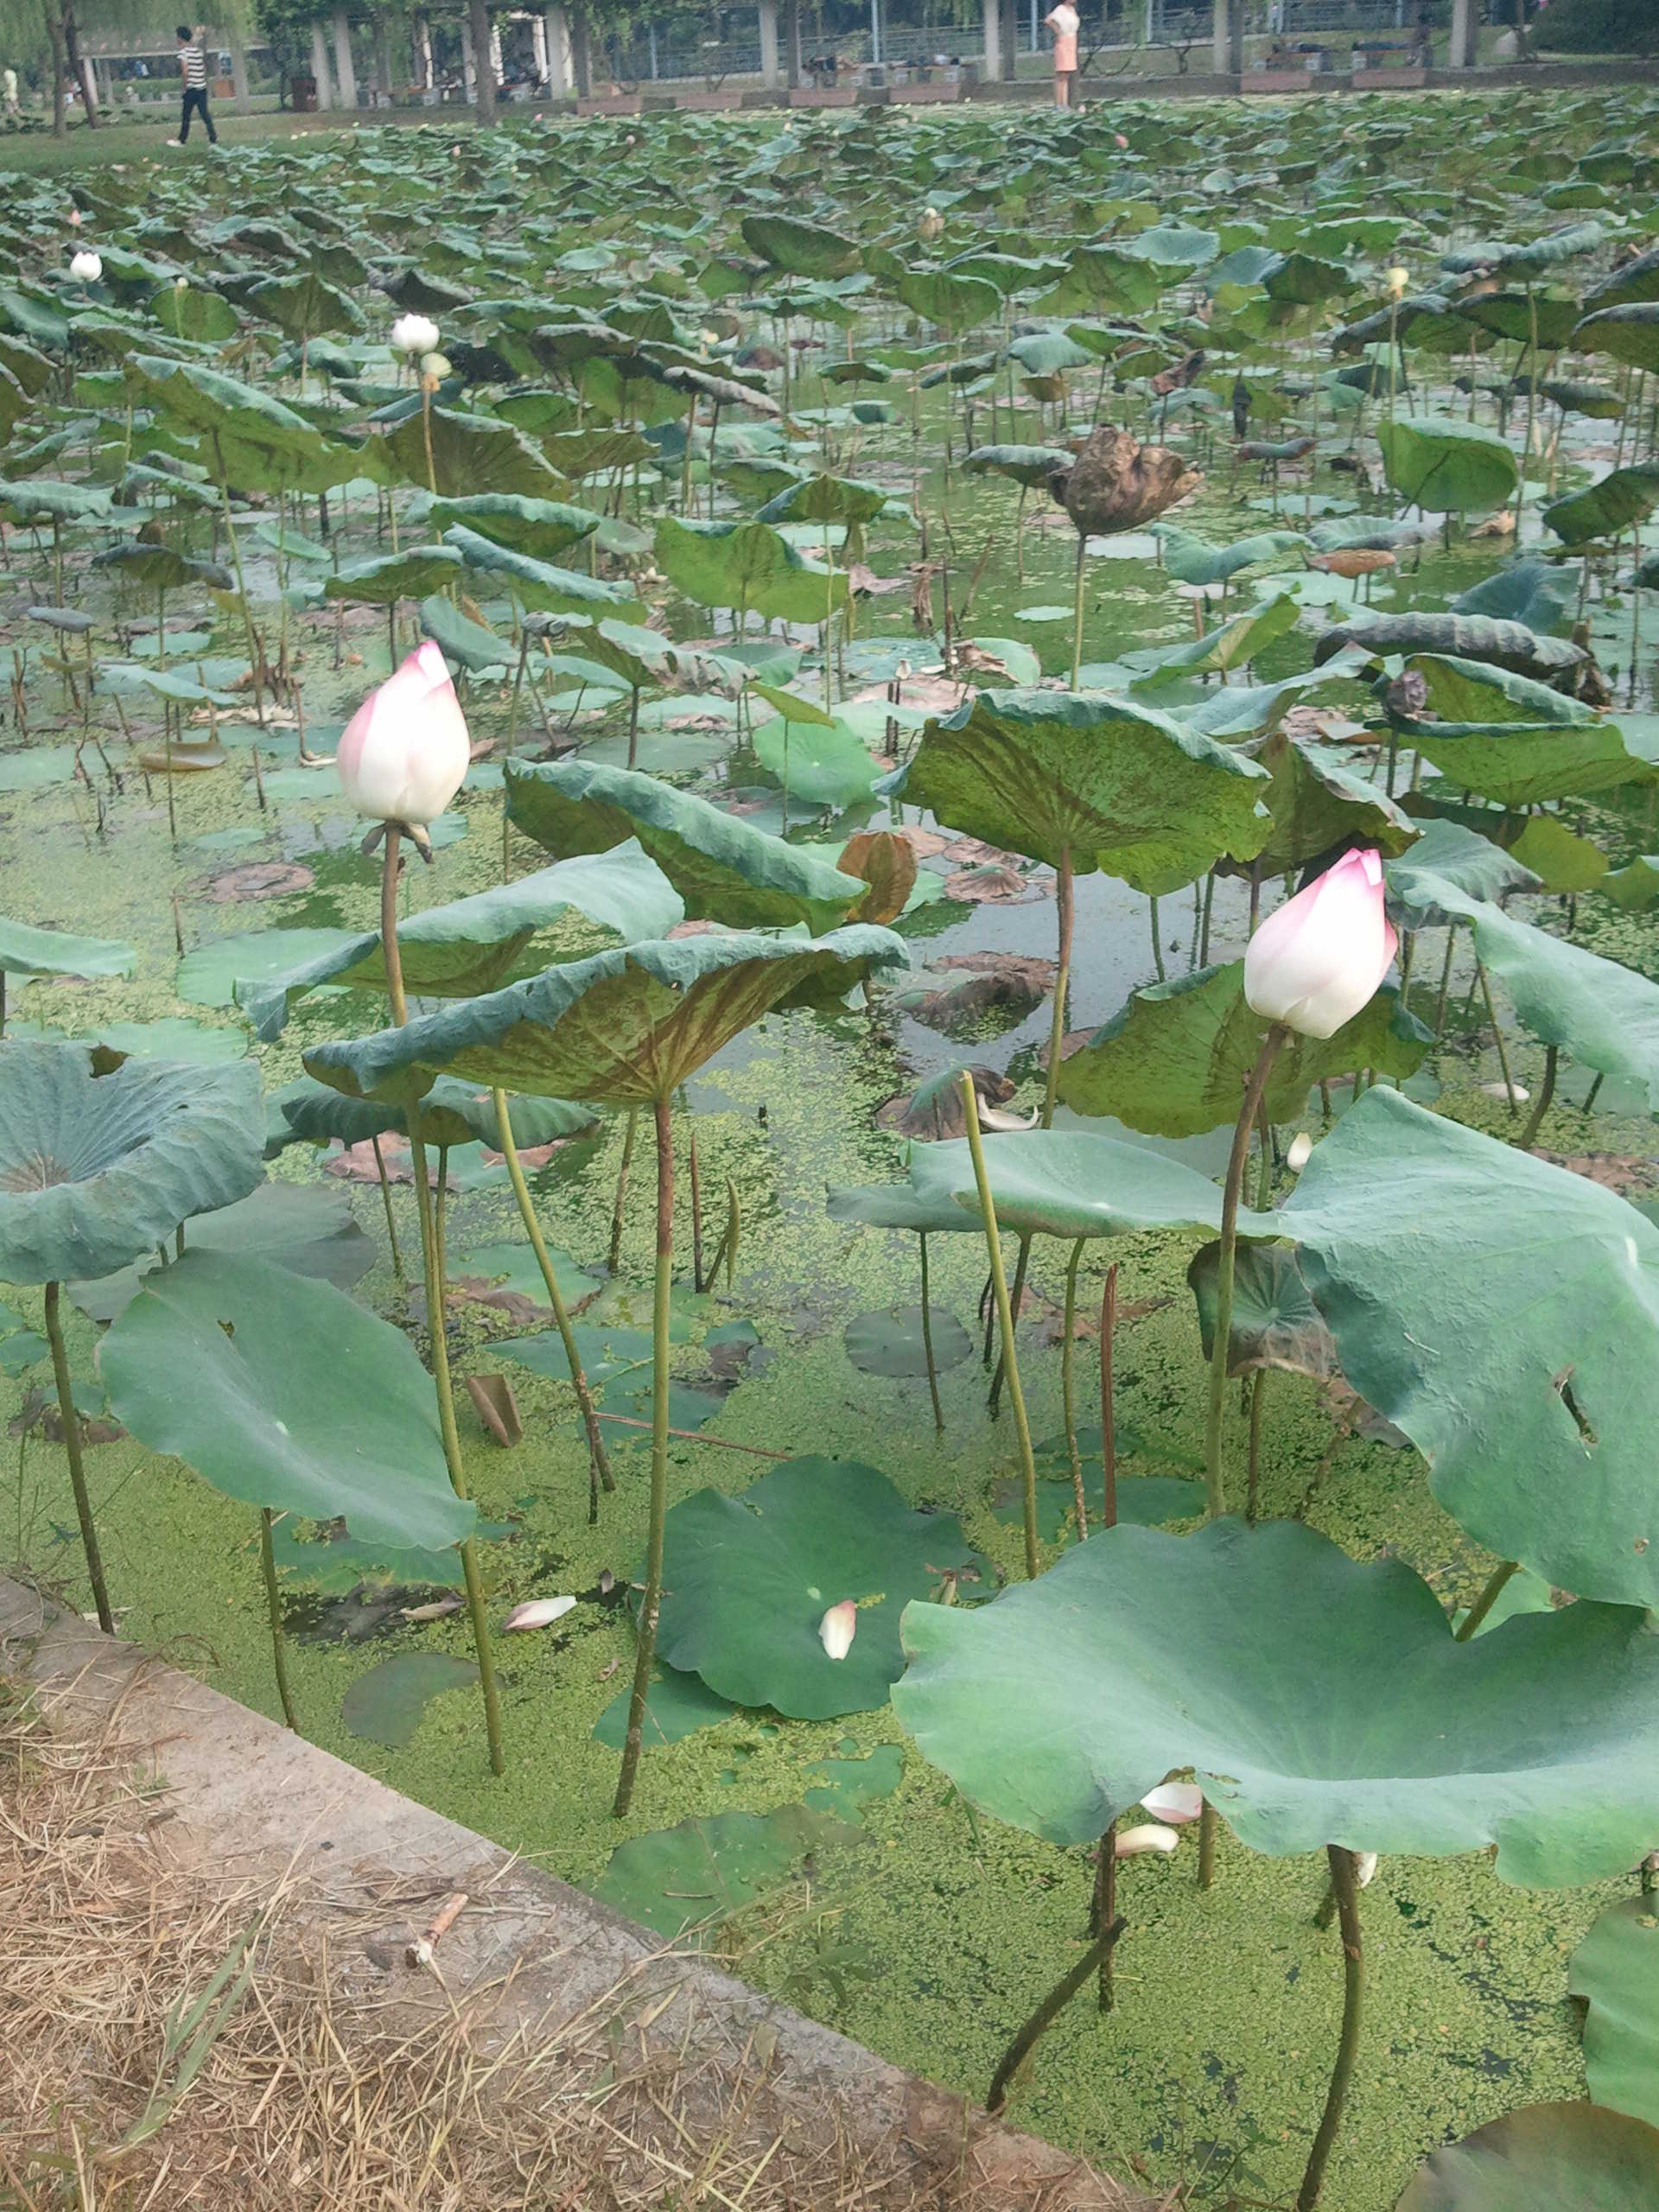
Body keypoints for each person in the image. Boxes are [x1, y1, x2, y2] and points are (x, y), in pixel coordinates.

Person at [167, 23, 217, 146]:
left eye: (177, 37)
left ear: (180, 38)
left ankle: (182, 140)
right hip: (202, 87)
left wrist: (185, 87)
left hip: (191, 89)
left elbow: (185, 71)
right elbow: (203, 69)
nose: (176, 39)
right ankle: (213, 137)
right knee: (204, 114)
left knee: (186, 115)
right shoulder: (197, 52)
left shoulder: (183, 53)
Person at [1044, 1, 1079, 107]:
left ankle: (1064, 103)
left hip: (1072, 41)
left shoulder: (1072, 10)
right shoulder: (1060, 9)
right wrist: (1058, 31)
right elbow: (1048, 20)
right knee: (1061, 74)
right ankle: (1059, 104)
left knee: (1067, 75)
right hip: (1064, 40)